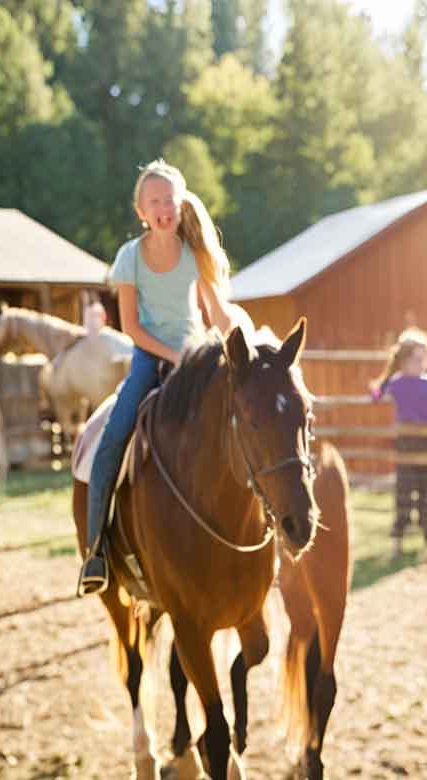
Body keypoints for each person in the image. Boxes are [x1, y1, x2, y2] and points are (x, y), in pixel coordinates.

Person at [77, 159, 246, 597]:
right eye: (154, 201)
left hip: (199, 358)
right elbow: (132, 327)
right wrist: (175, 357)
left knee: (248, 423)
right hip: (149, 361)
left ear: (181, 202)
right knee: (113, 437)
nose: (163, 208)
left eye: (169, 199)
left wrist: (247, 345)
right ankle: (95, 551)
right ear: (141, 212)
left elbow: (220, 314)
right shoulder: (130, 257)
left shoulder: (195, 253)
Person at [370, 328, 427, 560]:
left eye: (425, 358)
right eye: (417, 358)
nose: (422, 363)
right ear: (403, 361)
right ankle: (397, 543)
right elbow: (376, 395)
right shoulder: (396, 383)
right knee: (403, 494)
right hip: (405, 446)